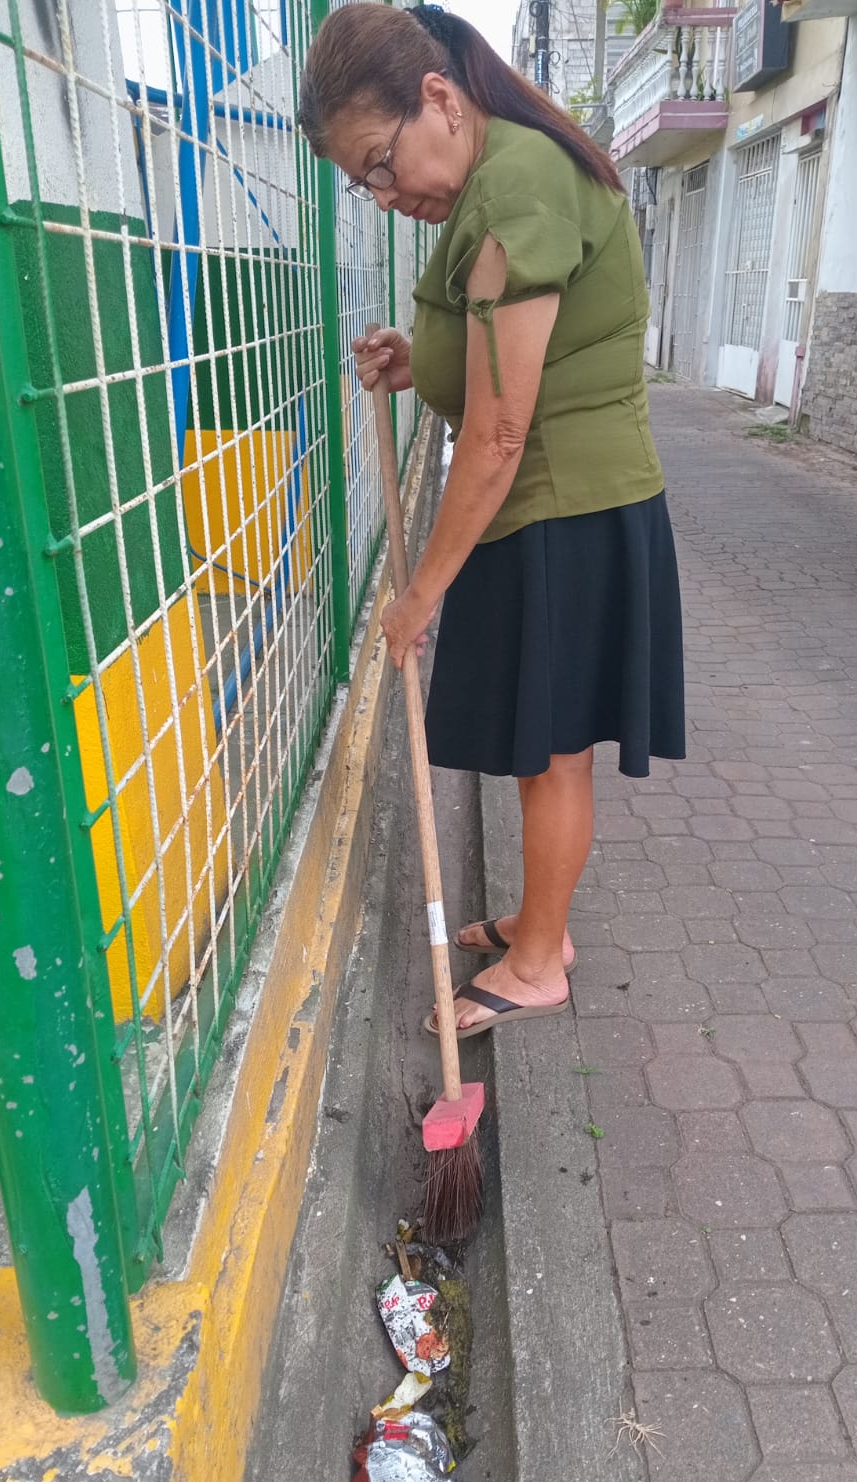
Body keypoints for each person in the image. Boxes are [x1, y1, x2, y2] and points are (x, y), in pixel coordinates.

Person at [298, 2, 685, 1038]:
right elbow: (492, 357)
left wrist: (419, 593)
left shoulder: (516, 186)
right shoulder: (495, 177)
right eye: (365, 185)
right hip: (551, 509)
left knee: (552, 754)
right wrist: (415, 359)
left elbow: (501, 429)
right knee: (539, 747)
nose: (386, 197)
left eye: (381, 165)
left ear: (438, 99)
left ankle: (539, 963)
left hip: (567, 507)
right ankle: (538, 925)